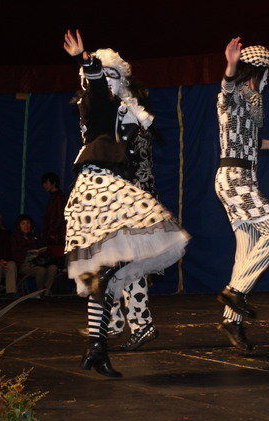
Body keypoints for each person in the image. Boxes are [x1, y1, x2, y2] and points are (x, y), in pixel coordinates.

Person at [62, 29, 189, 378]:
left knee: (100, 276)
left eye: (117, 76)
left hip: (109, 185)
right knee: (106, 267)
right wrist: (86, 62)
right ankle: (103, 343)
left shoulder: (123, 112)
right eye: (109, 76)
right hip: (98, 187)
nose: (113, 82)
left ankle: (96, 349)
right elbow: (97, 90)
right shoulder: (95, 102)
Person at [214, 37, 269, 351]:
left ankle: (232, 320)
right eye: (265, 75)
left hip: (240, 177)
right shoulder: (235, 96)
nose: (267, 82)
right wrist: (230, 67)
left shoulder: (247, 105)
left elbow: (247, 140)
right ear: (254, 73)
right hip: (235, 180)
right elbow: (226, 91)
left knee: (245, 254)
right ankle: (235, 291)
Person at [106, 78, 161, 351]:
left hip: (133, 203)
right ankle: (116, 321)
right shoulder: (132, 126)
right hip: (128, 201)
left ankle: (141, 322)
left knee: (128, 266)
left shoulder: (132, 126)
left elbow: (127, 165)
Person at [11, 214, 58, 296]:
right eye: (23, 223)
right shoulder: (15, 237)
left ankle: (46, 292)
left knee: (53, 268)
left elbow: (42, 248)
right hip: (25, 264)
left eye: (28, 223)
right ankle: (40, 292)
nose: (26, 226)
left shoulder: (35, 236)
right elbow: (14, 254)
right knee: (41, 270)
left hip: (38, 262)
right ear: (19, 226)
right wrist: (27, 256)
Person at [40, 172, 67, 246]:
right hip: (53, 233)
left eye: (46, 183)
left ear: (53, 183)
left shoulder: (59, 197)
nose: (44, 185)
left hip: (57, 234)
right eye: (43, 183)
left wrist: (53, 232)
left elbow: (60, 216)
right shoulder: (53, 197)